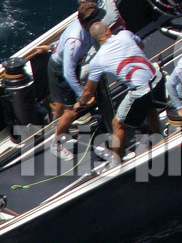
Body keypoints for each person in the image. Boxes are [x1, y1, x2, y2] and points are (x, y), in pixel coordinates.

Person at [56, 21, 160, 161]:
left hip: (141, 90)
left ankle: (116, 161)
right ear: (107, 31)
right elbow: (140, 45)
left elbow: (88, 91)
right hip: (157, 78)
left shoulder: (97, 61)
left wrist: (82, 102)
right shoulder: (125, 34)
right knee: (149, 106)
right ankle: (159, 137)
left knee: (118, 124)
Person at [45, 9, 97, 119]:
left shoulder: (87, 29)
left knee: (66, 97)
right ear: (89, 23)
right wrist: (81, 94)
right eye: (97, 19)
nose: (100, 21)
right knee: (66, 102)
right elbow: (68, 73)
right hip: (60, 69)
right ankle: (57, 122)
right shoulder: (75, 41)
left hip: (74, 62)